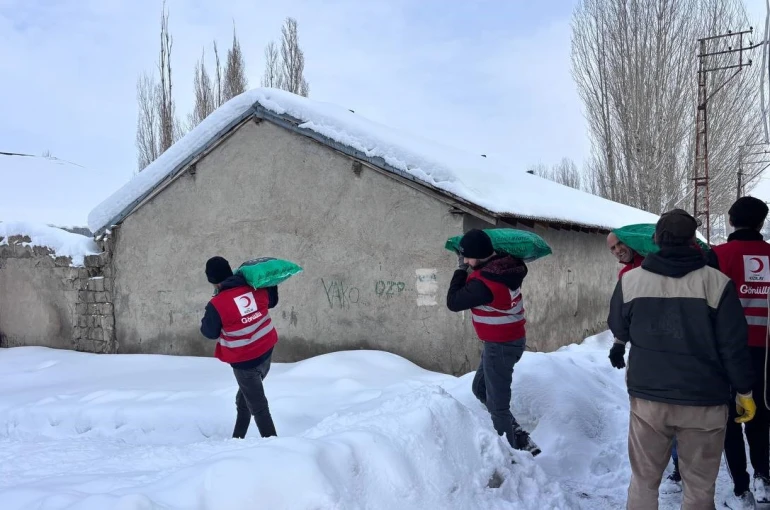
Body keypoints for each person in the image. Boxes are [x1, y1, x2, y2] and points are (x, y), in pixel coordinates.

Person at [608, 209, 756, 510]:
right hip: (705, 401)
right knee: (699, 488)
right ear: (692, 241)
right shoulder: (717, 283)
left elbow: (619, 327)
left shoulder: (630, 282)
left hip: (649, 399)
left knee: (643, 482)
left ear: (656, 240)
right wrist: (744, 391)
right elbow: (733, 346)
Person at [446, 229, 540, 456]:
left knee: (498, 406)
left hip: (501, 346)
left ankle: (514, 456)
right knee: (480, 388)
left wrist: (460, 270)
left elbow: (453, 302)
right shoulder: (507, 266)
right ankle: (516, 434)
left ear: (480, 255)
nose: (466, 261)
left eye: (468, 257)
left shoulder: (484, 283)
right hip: (508, 341)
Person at [712, 196, 770, 509]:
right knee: (762, 415)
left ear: (731, 221)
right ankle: (764, 479)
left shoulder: (717, 256)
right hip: (767, 355)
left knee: (732, 419)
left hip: (728, 353)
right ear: (761, 223)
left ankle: (741, 491)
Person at [200, 256, 280, 439]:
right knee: (244, 398)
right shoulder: (254, 287)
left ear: (212, 280)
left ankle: (274, 445)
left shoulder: (217, 304)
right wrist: (271, 283)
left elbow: (209, 332)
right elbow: (272, 301)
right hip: (266, 351)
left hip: (245, 361)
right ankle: (237, 439)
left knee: (258, 407)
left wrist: (211, 311)